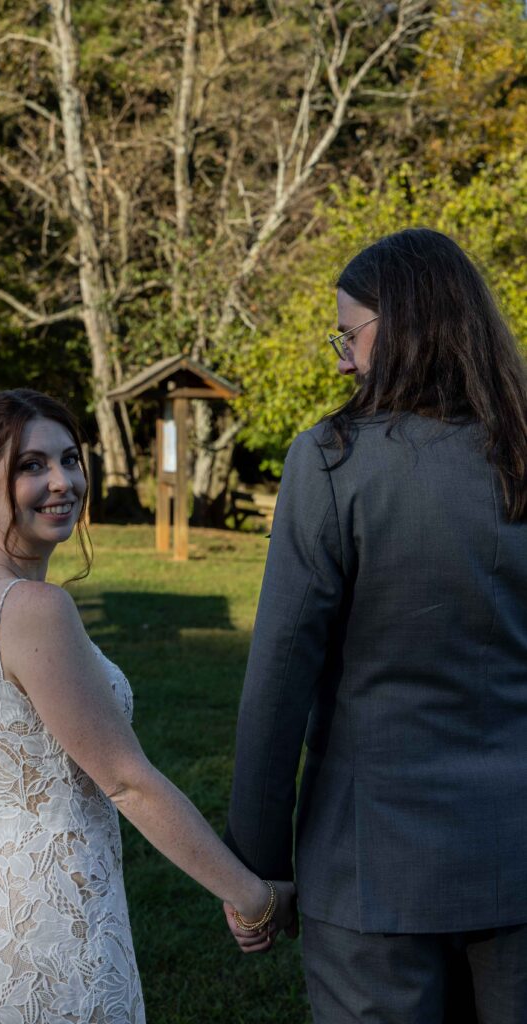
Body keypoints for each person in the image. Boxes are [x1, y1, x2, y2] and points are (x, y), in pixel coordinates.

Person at [0, 389, 294, 1024]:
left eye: (70, 459)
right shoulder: (33, 609)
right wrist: (253, 896)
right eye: (30, 466)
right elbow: (125, 781)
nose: (62, 482)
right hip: (38, 923)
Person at [224, 228, 527, 1023]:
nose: (339, 359)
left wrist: (255, 863)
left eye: (347, 333)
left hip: (371, 870)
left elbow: (278, 678)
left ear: (403, 327)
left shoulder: (332, 461)